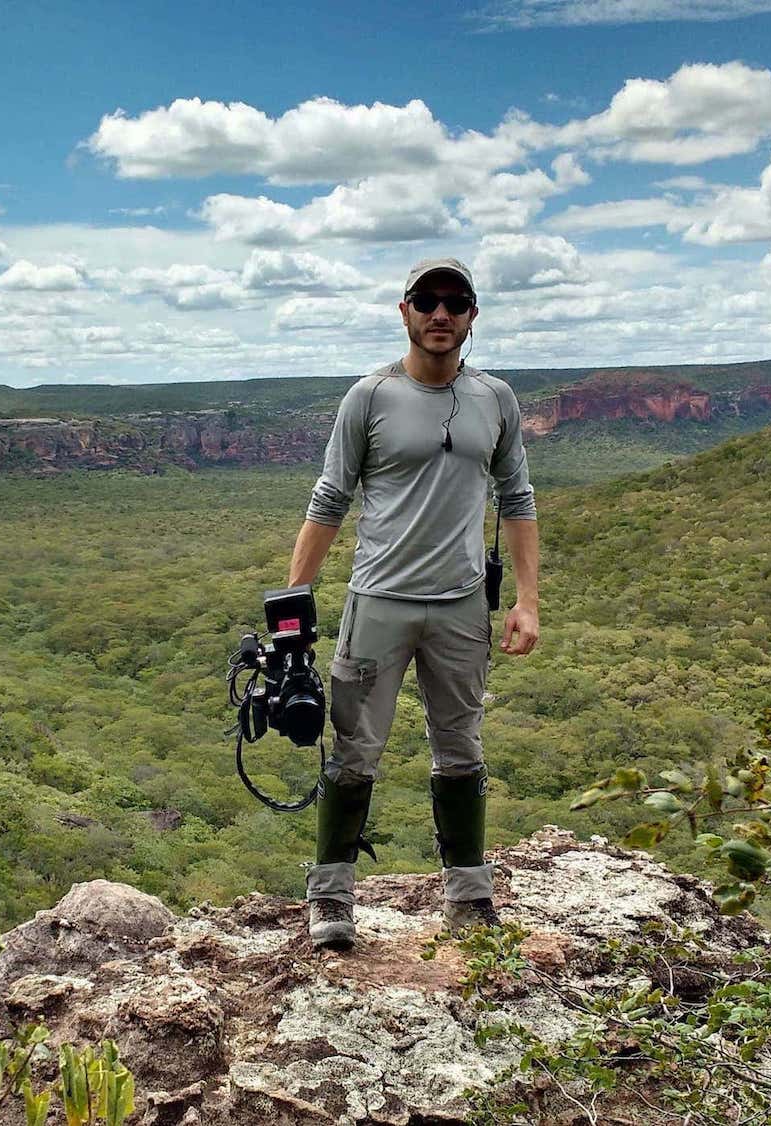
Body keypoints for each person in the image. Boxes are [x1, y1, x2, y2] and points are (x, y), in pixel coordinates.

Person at [286, 256, 539, 950]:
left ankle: (469, 894)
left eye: (454, 302)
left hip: (461, 608)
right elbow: (329, 498)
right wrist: (292, 608)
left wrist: (526, 600)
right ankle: (331, 897)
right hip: (379, 603)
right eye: (427, 300)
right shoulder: (368, 398)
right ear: (404, 311)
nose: (440, 313)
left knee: (460, 746)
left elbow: (517, 499)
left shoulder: (497, 399)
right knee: (352, 751)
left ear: (471, 317)